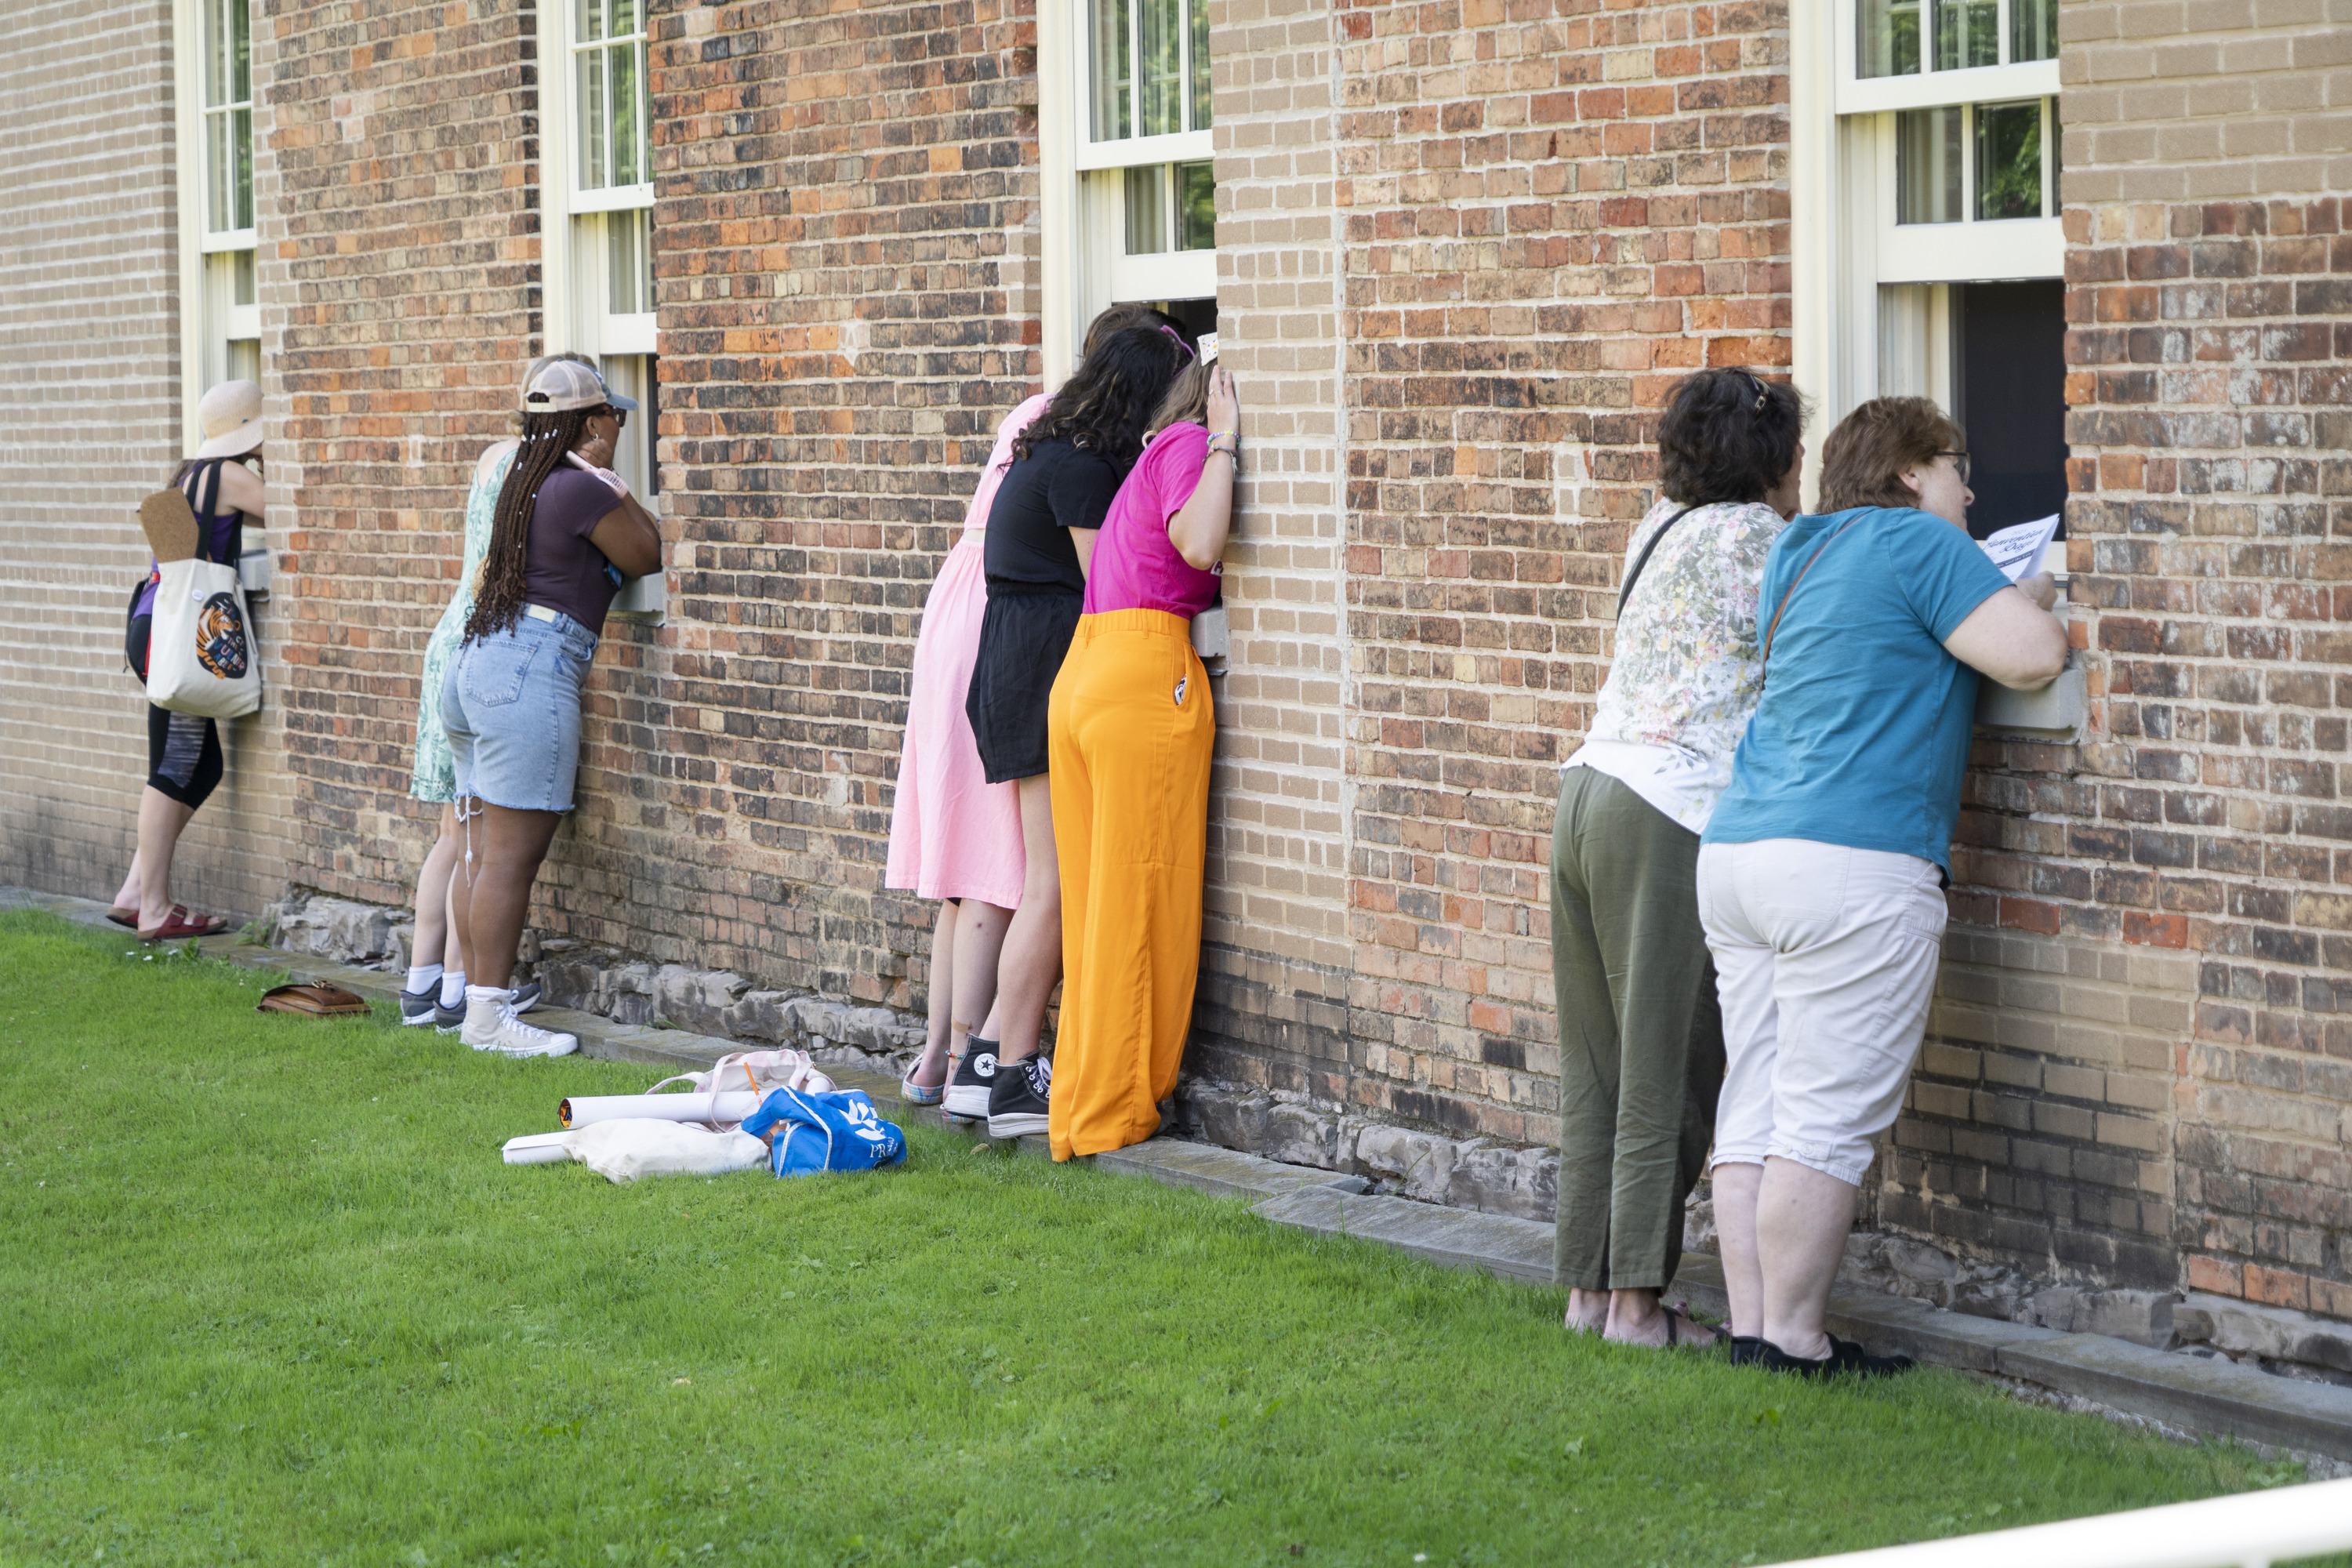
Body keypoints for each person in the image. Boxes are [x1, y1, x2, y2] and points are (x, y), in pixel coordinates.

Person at [1700, 395, 2067, 1377]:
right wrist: (2026, 597)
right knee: (1822, 1116)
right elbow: (2037, 659)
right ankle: (1798, 1340)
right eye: (1956, 465)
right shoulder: (1928, 545)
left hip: (1739, 852)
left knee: (1758, 1100)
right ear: (1911, 474)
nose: (1971, 487)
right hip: (1849, 863)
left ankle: (1751, 1330)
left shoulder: (1802, 551)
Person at [1552, 367, 1805, 1349]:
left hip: (1584, 791)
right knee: (1671, 1061)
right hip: (1667, 809)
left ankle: (1586, 1289)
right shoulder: (1763, 541)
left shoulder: (1654, 528)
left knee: (1598, 1066)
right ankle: (1637, 1307)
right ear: (1772, 459)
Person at [887, 307, 1192, 1109]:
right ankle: (1005, 1063)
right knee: (1051, 880)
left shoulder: (1046, 446)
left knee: (1031, 878)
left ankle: (980, 1064)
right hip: (1038, 665)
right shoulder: (1086, 470)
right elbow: (1111, 580)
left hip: (1010, 659)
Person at [1043, 350, 1240, 1159]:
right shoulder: (1192, 445)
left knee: (1095, 910)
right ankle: (1115, 1111)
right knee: (1138, 906)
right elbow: (1197, 544)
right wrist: (1227, 442)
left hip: (1087, 671)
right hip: (1140, 676)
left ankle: (1079, 1104)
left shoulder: (1151, 453)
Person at [441, 359, 663, 1058]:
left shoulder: (524, 477)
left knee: (480, 854)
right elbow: (649, 552)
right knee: (508, 860)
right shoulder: (574, 488)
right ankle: (486, 1020)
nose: (623, 425)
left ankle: (469, 1004)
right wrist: (610, 479)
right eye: (614, 415)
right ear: (589, 423)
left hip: (479, 665)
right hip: (529, 670)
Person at [396, 354, 615, 1029]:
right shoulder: (566, 483)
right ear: (587, 422)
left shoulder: (504, 463)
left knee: (462, 839)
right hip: (508, 653)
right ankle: (472, 1002)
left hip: (462, 646)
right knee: (487, 850)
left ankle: (433, 988)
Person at [110, 379, 266, 942]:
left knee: (198, 767)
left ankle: (135, 891)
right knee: (176, 769)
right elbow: (301, 510)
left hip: (153, 627)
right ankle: (153, 907)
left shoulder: (188, 476)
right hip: (177, 637)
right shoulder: (230, 475)